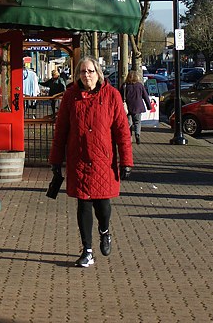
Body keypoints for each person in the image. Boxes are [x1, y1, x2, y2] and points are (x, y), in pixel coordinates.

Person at [51, 56, 134, 267]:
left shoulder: (111, 96)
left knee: (103, 205)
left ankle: (104, 231)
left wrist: (126, 161)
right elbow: (61, 131)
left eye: (90, 71)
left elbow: (122, 131)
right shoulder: (70, 96)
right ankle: (87, 250)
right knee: (83, 204)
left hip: (102, 161)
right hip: (78, 159)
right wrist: (55, 161)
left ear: (98, 73)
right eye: (82, 72)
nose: (86, 75)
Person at [120, 71, 152, 143]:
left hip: (127, 108)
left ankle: (128, 137)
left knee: (129, 123)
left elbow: (119, 96)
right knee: (137, 122)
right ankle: (137, 134)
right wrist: (149, 106)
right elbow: (145, 96)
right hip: (137, 107)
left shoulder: (124, 86)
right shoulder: (140, 85)